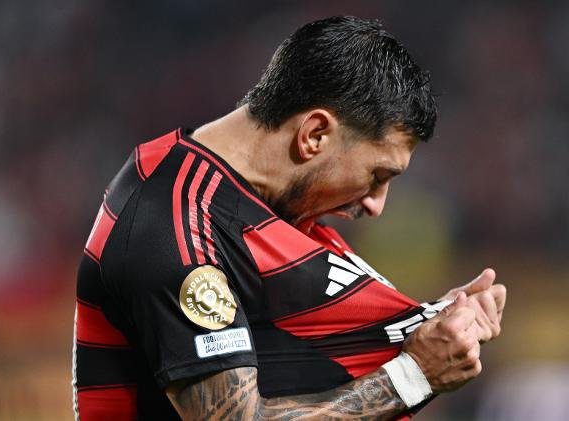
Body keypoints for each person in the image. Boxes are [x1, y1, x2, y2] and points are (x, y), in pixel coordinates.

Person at [72, 16, 507, 420]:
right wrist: (413, 376)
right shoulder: (175, 226)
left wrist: (430, 326)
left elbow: (296, 346)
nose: (376, 205)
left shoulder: (249, 202)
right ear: (315, 134)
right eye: (377, 175)